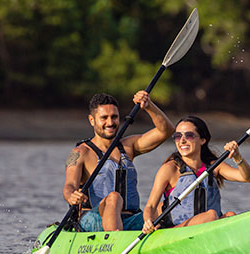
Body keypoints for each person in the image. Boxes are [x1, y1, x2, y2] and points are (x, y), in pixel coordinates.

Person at [63, 91, 175, 232]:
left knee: (165, 206)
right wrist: (71, 196)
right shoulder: (80, 153)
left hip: (130, 217)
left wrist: (149, 106)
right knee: (114, 198)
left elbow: (166, 131)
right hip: (94, 219)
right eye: (104, 118)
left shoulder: (129, 146)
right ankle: (114, 241)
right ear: (92, 120)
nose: (110, 123)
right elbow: (69, 185)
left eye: (114, 117)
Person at [142, 115, 250, 234]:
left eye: (189, 135)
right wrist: (148, 221)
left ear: (202, 140)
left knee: (230, 215)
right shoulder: (170, 169)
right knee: (210, 215)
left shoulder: (213, 166)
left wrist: (238, 158)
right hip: (175, 232)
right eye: (177, 136)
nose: (182, 141)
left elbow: (247, 178)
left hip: (207, 229)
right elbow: (150, 206)